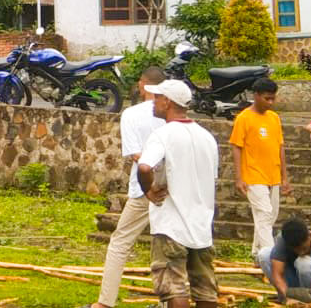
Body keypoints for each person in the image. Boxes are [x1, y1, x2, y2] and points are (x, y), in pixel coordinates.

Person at [136, 79, 220, 308]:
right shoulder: (207, 138)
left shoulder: (163, 135)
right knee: (205, 290)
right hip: (201, 224)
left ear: (167, 102)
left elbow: (144, 167)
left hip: (171, 224)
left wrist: (149, 191)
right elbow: (211, 178)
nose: (153, 102)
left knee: (174, 286)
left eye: (157, 97)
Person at [90, 66, 168, 308]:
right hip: (171, 186)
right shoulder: (171, 112)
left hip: (145, 187)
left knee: (120, 242)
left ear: (142, 85)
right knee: (167, 244)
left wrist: (150, 182)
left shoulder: (133, 114)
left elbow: (137, 156)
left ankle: (105, 302)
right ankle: (170, 301)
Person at [230, 77, 289, 257]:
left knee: (269, 216)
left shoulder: (274, 117)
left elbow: (280, 147)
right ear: (255, 96)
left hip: (273, 175)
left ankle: (257, 254)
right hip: (253, 176)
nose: (270, 102)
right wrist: (239, 178)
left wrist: (285, 177)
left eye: (273, 98)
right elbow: (236, 147)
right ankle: (271, 259)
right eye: (266, 98)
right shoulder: (244, 118)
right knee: (264, 214)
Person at [259, 219, 311, 304]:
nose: (300, 252)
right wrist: (287, 295)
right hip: (296, 283)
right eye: (296, 250)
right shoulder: (284, 239)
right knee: (264, 254)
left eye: (303, 248)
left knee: (303, 262)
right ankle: (288, 299)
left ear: (310, 236)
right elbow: (277, 273)